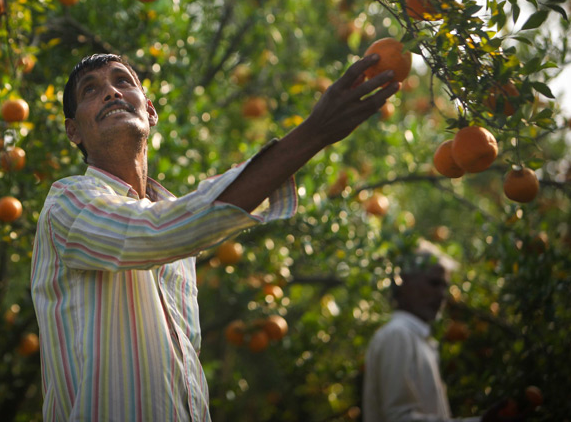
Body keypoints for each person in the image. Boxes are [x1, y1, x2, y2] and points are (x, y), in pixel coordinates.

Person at [31, 52, 399, 421]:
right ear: (73, 131)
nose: (111, 92)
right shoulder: (67, 203)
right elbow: (160, 230)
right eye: (91, 89)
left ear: (150, 110)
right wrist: (313, 133)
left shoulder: (175, 215)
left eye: (122, 81)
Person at [362, 242, 522, 422]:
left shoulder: (416, 338)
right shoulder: (398, 335)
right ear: (404, 281)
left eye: (444, 286)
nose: (441, 294)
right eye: (434, 283)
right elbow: (400, 418)